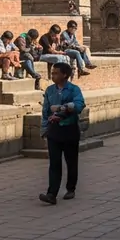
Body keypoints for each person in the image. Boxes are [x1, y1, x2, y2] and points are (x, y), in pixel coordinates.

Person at [39, 61, 85, 204]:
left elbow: (79, 105)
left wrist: (63, 109)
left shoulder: (73, 90)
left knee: (71, 161)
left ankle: (71, 188)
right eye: (52, 73)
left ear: (64, 75)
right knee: (54, 163)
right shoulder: (50, 90)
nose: (53, 75)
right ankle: (52, 193)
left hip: (69, 129)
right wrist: (44, 129)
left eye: (56, 73)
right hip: (54, 130)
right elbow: (46, 111)